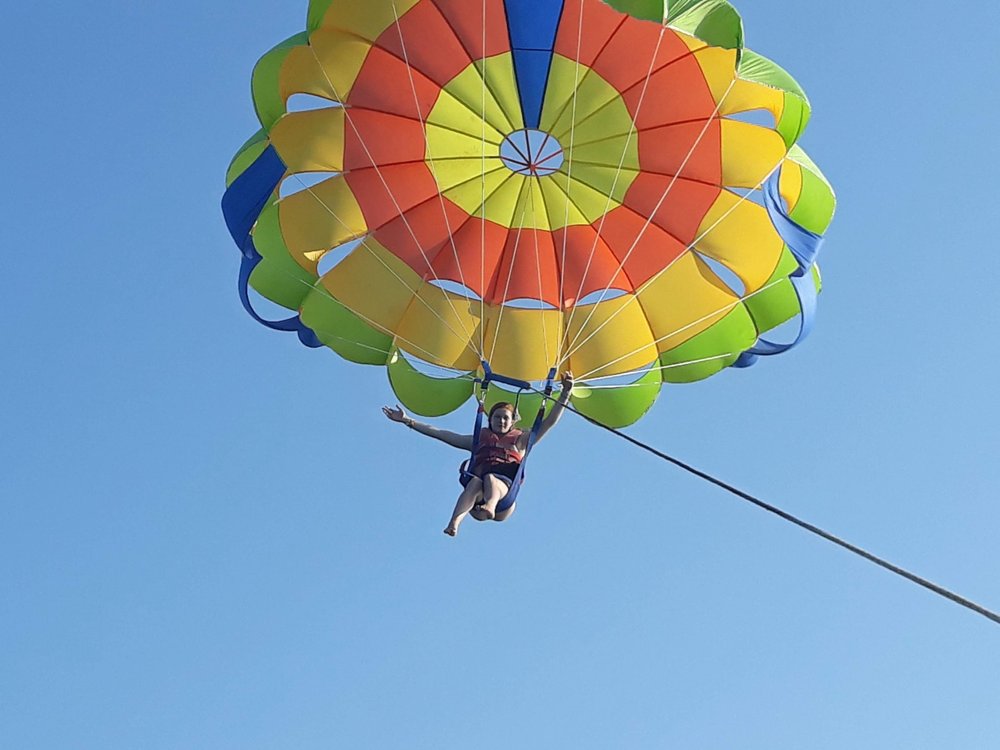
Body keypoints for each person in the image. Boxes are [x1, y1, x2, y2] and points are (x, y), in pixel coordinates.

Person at [382, 372, 574, 537]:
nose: (501, 421)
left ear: (512, 422)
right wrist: (408, 421)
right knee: (475, 481)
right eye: (497, 417)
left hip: (504, 501)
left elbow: (548, 422)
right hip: (476, 504)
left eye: (505, 418)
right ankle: (454, 523)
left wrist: (565, 392)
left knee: (489, 477)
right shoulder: (479, 440)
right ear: (490, 420)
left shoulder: (521, 440)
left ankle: (491, 505)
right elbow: (443, 434)